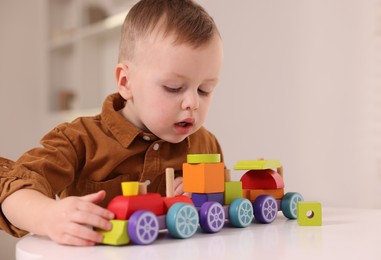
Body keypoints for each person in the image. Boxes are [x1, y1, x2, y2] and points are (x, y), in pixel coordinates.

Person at [0, 0, 224, 246]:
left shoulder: (205, 145)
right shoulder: (79, 139)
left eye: (205, 90)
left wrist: (203, 196)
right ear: (126, 82)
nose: (192, 102)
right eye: (174, 87)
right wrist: (48, 215)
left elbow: (220, 211)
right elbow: (12, 187)